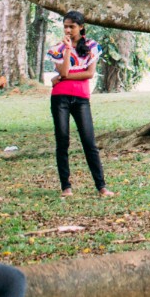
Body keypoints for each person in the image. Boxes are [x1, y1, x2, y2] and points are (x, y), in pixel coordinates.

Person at [45, 12, 111, 198]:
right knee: (62, 140)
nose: (67, 30)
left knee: (89, 141)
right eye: (65, 26)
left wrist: (60, 78)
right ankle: (66, 186)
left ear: (81, 27)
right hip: (60, 99)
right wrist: (67, 51)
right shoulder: (57, 49)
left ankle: (101, 186)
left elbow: (89, 74)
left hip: (81, 98)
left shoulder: (92, 47)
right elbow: (64, 69)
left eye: (71, 26)